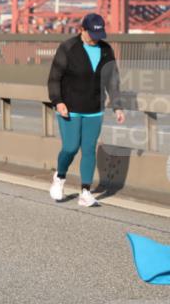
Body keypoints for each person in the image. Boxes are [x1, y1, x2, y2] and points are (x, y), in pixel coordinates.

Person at [47, 13, 125, 207]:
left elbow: (112, 80)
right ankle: (60, 177)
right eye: (92, 33)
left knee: (89, 149)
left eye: (99, 34)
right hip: (70, 107)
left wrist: (117, 106)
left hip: (94, 108)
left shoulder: (106, 50)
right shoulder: (68, 48)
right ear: (81, 30)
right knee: (71, 147)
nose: (95, 38)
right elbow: (54, 78)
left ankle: (85, 192)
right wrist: (58, 101)